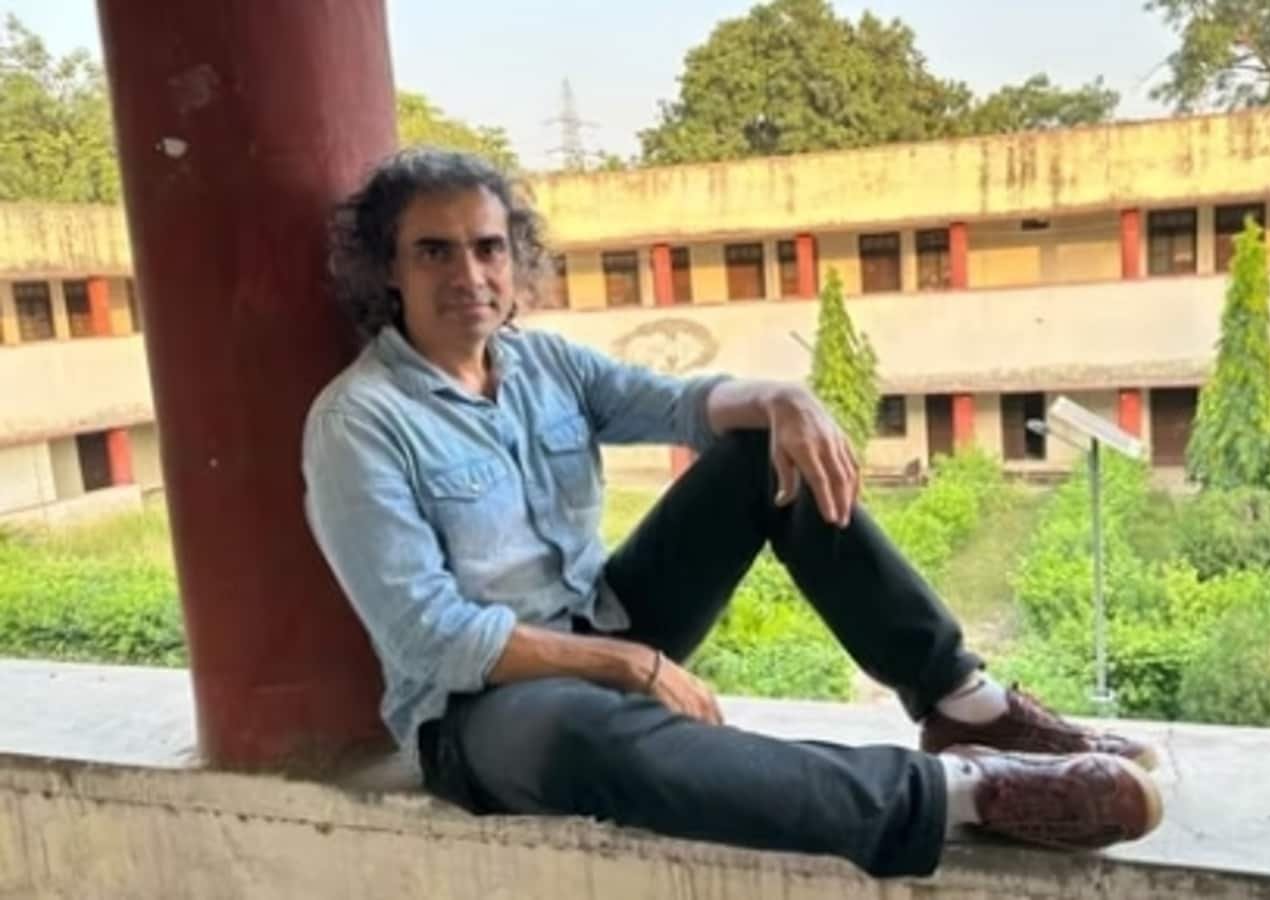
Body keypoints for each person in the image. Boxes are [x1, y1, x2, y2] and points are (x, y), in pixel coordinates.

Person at [302, 147, 1163, 879]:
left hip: (604, 625)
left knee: (760, 451)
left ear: (513, 257)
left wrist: (785, 398)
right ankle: (965, 794)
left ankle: (961, 704)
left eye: (487, 247)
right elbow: (432, 635)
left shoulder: (545, 364)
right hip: (485, 711)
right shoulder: (358, 422)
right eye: (435, 252)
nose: (469, 275)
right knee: (596, 739)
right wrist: (632, 665)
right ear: (389, 268)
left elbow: (682, 406)